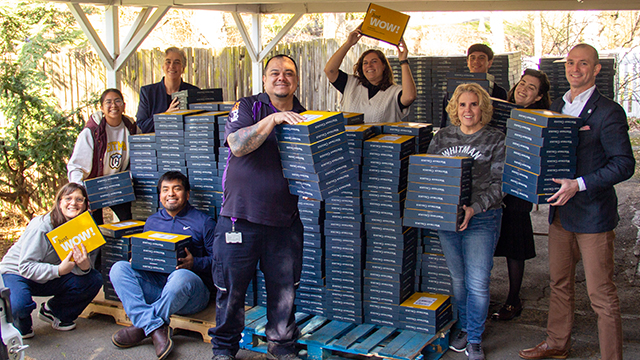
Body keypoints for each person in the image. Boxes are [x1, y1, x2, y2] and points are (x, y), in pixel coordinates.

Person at [519, 44, 635, 360]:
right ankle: (557, 344)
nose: (575, 69)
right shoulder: (556, 106)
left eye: (583, 63)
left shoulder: (609, 111)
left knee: (601, 295)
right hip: (560, 215)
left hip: (593, 215)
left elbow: (624, 164)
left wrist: (580, 184)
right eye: (571, 63)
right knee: (559, 283)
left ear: (596, 69)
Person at [208, 54, 305, 360]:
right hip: (240, 218)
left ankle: (282, 346)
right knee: (231, 291)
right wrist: (273, 119)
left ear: (296, 80)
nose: (282, 77)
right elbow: (237, 144)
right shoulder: (249, 107)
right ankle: (224, 349)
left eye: (288, 73)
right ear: (264, 79)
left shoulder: (306, 117)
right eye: (275, 72)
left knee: (284, 292)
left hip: (284, 221)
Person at [427, 83, 505, 360]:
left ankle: (474, 338)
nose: (468, 110)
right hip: (448, 220)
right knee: (458, 281)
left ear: (482, 108)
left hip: (482, 219)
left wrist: (474, 208)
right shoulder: (442, 137)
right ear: (455, 109)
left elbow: (500, 184)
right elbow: (430, 175)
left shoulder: (495, 139)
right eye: (462, 105)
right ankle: (463, 326)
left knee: (478, 282)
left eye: (473, 104)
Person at [109, 171, 214, 360]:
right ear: (160, 195)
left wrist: (194, 263)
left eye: (177, 189)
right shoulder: (152, 221)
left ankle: (142, 326)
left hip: (192, 293)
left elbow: (220, 262)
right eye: (165, 189)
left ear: (187, 194)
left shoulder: (204, 222)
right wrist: (139, 260)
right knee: (119, 268)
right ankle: (155, 327)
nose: (171, 194)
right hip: (158, 288)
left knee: (180, 276)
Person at [0, 183, 102, 339]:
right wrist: (58, 270)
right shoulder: (41, 226)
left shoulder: (84, 228)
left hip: (51, 274)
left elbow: (82, 268)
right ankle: (21, 325)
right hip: (17, 273)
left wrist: (84, 267)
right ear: (59, 202)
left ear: (86, 205)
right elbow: (26, 266)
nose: (73, 203)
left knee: (93, 279)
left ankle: (55, 312)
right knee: (20, 308)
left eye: (79, 199)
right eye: (68, 198)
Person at [492, 69, 551, 321]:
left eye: (531, 88)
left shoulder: (540, 119)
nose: (523, 89)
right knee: (486, 243)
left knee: (515, 244)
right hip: (491, 184)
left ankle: (513, 300)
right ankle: (482, 298)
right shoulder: (498, 109)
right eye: (522, 83)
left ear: (538, 97)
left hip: (518, 188)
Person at [67, 88, 138, 225]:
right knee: (95, 226)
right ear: (101, 108)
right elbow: (76, 166)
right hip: (93, 186)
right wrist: (78, 192)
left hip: (117, 184)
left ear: (124, 105)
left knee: (128, 222)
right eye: (108, 102)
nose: (113, 105)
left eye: (118, 101)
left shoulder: (130, 128)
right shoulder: (91, 132)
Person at [324, 26, 417, 123]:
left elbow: (409, 97)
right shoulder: (351, 84)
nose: (369, 66)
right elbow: (329, 70)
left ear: (384, 66)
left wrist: (403, 61)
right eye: (365, 63)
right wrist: (349, 43)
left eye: (374, 61)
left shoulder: (393, 92)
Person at [441, 44, 508, 127]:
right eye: (472, 58)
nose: (476, 61)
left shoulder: (499, 93)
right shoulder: (454, 91)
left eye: (481, 58)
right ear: (467, 62)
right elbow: (445, 121)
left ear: (489, 63)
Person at [136, 47, 199, 133]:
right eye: (168, 62)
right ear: (163, 66)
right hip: (157, 144)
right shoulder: (147, 92)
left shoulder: (194, 92)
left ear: (183, 68)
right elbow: (143, 126)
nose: (172, 66)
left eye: (177, 62)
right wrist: (166, 116)